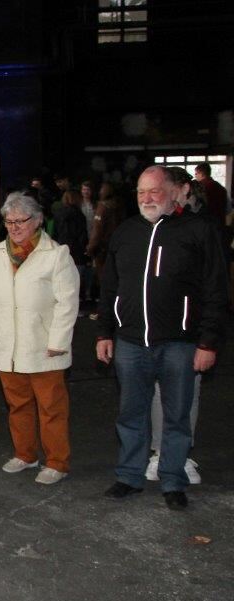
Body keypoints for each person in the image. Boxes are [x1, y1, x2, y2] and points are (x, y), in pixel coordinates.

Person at [96, 166, 228, 510]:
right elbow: (110, 287)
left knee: (177, 415)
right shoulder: (126, 232)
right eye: (141, 192)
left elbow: (216, 289)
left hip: (181, 344)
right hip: (130, 342)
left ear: (174, 192)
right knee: (130, 413)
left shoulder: (199, 231)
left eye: (154, 191)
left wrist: (208, 342)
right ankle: (129, 476)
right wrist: (104, 332)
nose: (146, 198)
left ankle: (172, 480)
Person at [0, 192, 79, 485]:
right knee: (17, 405)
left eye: (21, 221)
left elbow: (68, 303)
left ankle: (57, 461)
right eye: (9, 222)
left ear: (38, 220)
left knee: (51, 408)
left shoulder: (57, 254)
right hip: (7, 348)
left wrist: (58, 342)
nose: (15, 227)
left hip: (44, 349)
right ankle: (25, 454)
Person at [85, 181, 125, 318]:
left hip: (102, 249)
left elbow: (97, 230)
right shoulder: (119, 205)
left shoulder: (103, 207)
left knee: (103, 281)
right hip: (117, 247)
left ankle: (104, 311)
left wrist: (90, 248)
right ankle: (117, 310)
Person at [54, 189, 92, 308]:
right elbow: (82, 234)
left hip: (61, 248)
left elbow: (54, 232)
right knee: (76, 278)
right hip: (76, 250)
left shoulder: (58, 213)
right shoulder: (79, 214)